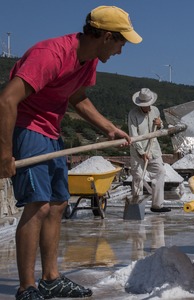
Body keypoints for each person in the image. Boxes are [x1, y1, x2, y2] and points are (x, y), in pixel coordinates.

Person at [0, 6, 142, 300]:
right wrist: (4, 152)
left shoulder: (87, 60)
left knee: (58, 204)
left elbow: (77, 98)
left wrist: (108, 128)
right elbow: (6, 100)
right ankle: (27, 286)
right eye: (120, 42)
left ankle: (51, 278)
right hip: (27, 128)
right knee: (37, 205)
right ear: (105, 36)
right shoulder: (50, 54)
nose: (121, 50)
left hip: (51, 131)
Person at [128, 88, 171, 213]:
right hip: (138, 151)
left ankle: (157, 205)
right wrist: (141, 152)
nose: (147, 107)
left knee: (160, 172)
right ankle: (136, 206)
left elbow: (159, 128)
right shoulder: (133, 114)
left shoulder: (156, 110)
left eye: (148, 105)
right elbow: (133, 134)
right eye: (144, 105)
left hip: (153, 149)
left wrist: (160, 124)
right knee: (138, 177)